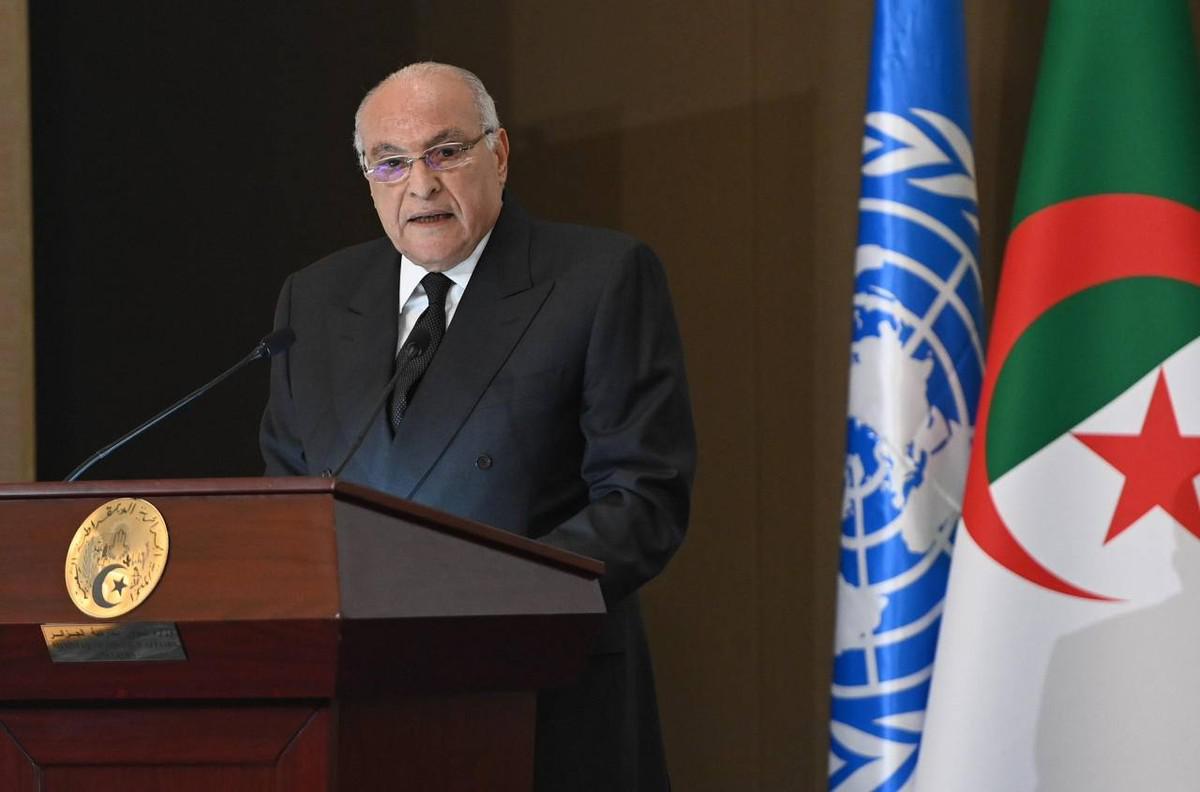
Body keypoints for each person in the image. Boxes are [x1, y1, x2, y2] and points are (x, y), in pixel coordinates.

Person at [260, 61, 695, 791]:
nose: (421, 184)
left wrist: (481, 594)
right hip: (360, 708)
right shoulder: (315, 299)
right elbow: (287, 506)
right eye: (391, 162)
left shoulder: (599, 277)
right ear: (368, 177)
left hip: (540, 698)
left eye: (446, 151)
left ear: (499, 154)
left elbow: (643, 499)